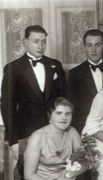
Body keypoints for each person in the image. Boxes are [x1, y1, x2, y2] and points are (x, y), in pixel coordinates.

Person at [1, 25, 66, 158]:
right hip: (26, 132)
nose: (41, 46)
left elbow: (64, 99)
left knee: (55, 168)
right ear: (25, 42)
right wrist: (13, 140)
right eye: (36, 41)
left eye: (43, 41)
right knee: (28, 172)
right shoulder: (13, 68)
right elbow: (7, 107)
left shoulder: (55, 65)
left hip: (54, 129)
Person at [67, 29, 103, 134]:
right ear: (84, 47)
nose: (93, 50)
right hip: (88, 128)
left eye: (97, 45)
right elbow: (74, 109)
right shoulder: (75, 74)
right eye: (89, 45)